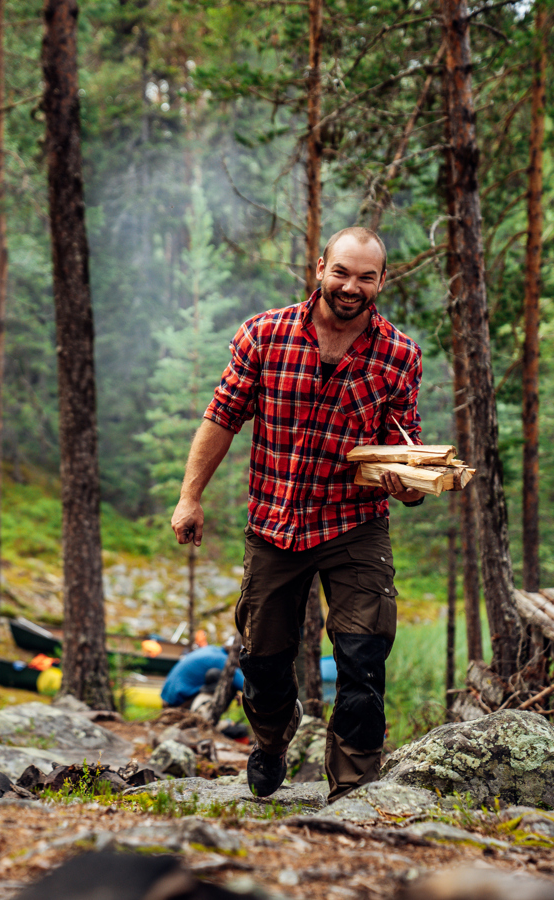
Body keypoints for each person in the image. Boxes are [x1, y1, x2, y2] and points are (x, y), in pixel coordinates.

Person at [169, 226, 425, 802]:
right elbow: (221, 417)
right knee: (262, 660)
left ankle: (353, 791)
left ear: (382, 281)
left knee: (362, 660)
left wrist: (407, 486)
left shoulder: (399, 355)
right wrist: (191, 496)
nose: (351, 286)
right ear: (319, 268)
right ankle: (269, 742)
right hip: (273, 524)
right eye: (342, 272)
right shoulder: (265, 335)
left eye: (366, 277)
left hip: (354, 526)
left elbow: (404, 451)